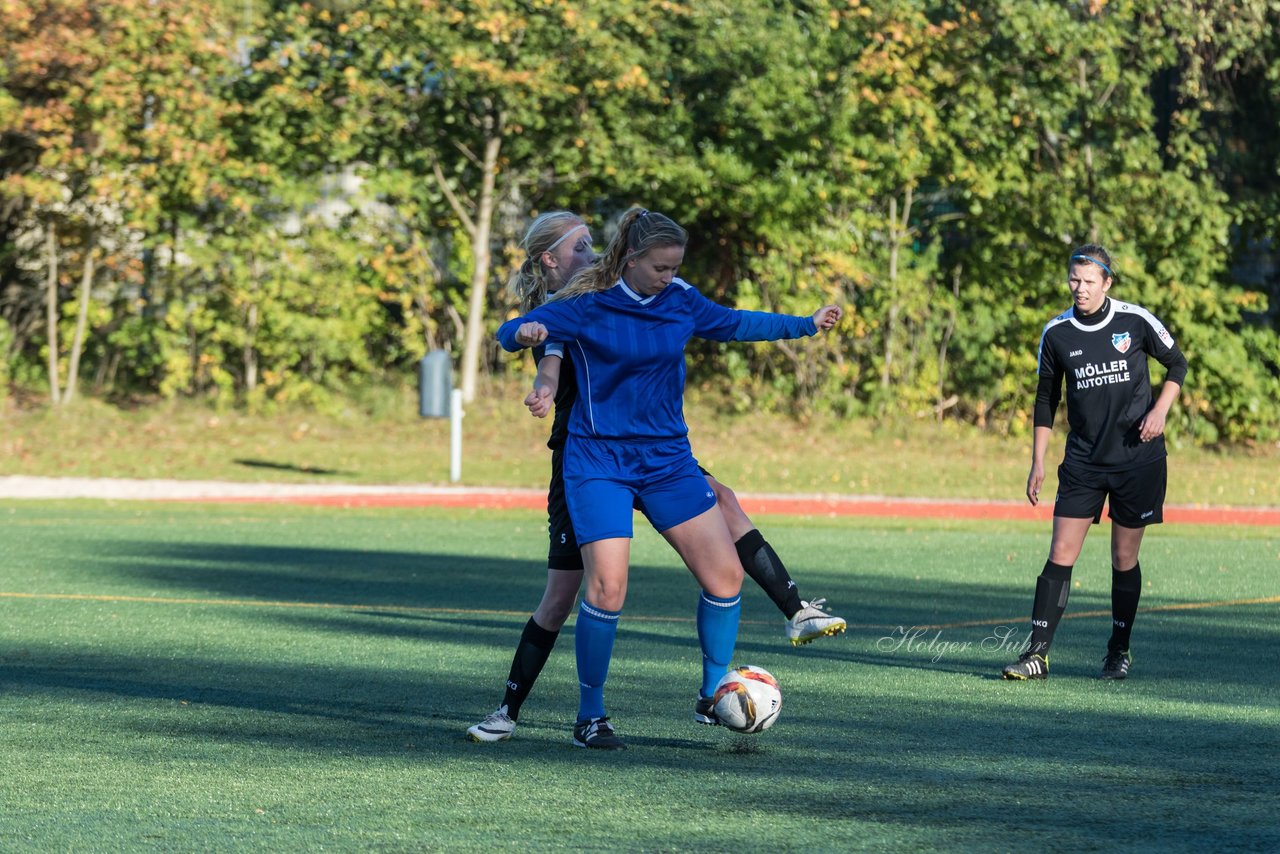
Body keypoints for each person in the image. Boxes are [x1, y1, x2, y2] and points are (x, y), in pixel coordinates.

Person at [488, 208, 840, 749]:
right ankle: (591, 718)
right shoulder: (585, 307)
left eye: (676, 266)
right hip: (598, 462)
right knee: (605, 588)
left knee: (724, 577)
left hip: (668, 460)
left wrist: (804, 324)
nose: (670, 276)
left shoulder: (681, 300)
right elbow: (511, 333)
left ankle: (709, 695)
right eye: (660, 267)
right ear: (630, 260)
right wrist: (525, 332)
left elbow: (737, 322)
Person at [1002, 245, 1188, 681]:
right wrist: (1038, 462)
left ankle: (1118, 651)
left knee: (1124, 558)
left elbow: (1176, 364)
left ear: (1107, 283)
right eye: (1074, 280)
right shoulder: (1057, 333)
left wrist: (1160, 411)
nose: (1080, 288)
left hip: (1137, 460)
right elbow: (1046, 400)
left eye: (1089, 281)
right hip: (1084, 461)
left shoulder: (1135, 320)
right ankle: (1036, 655)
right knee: (1060, 554)